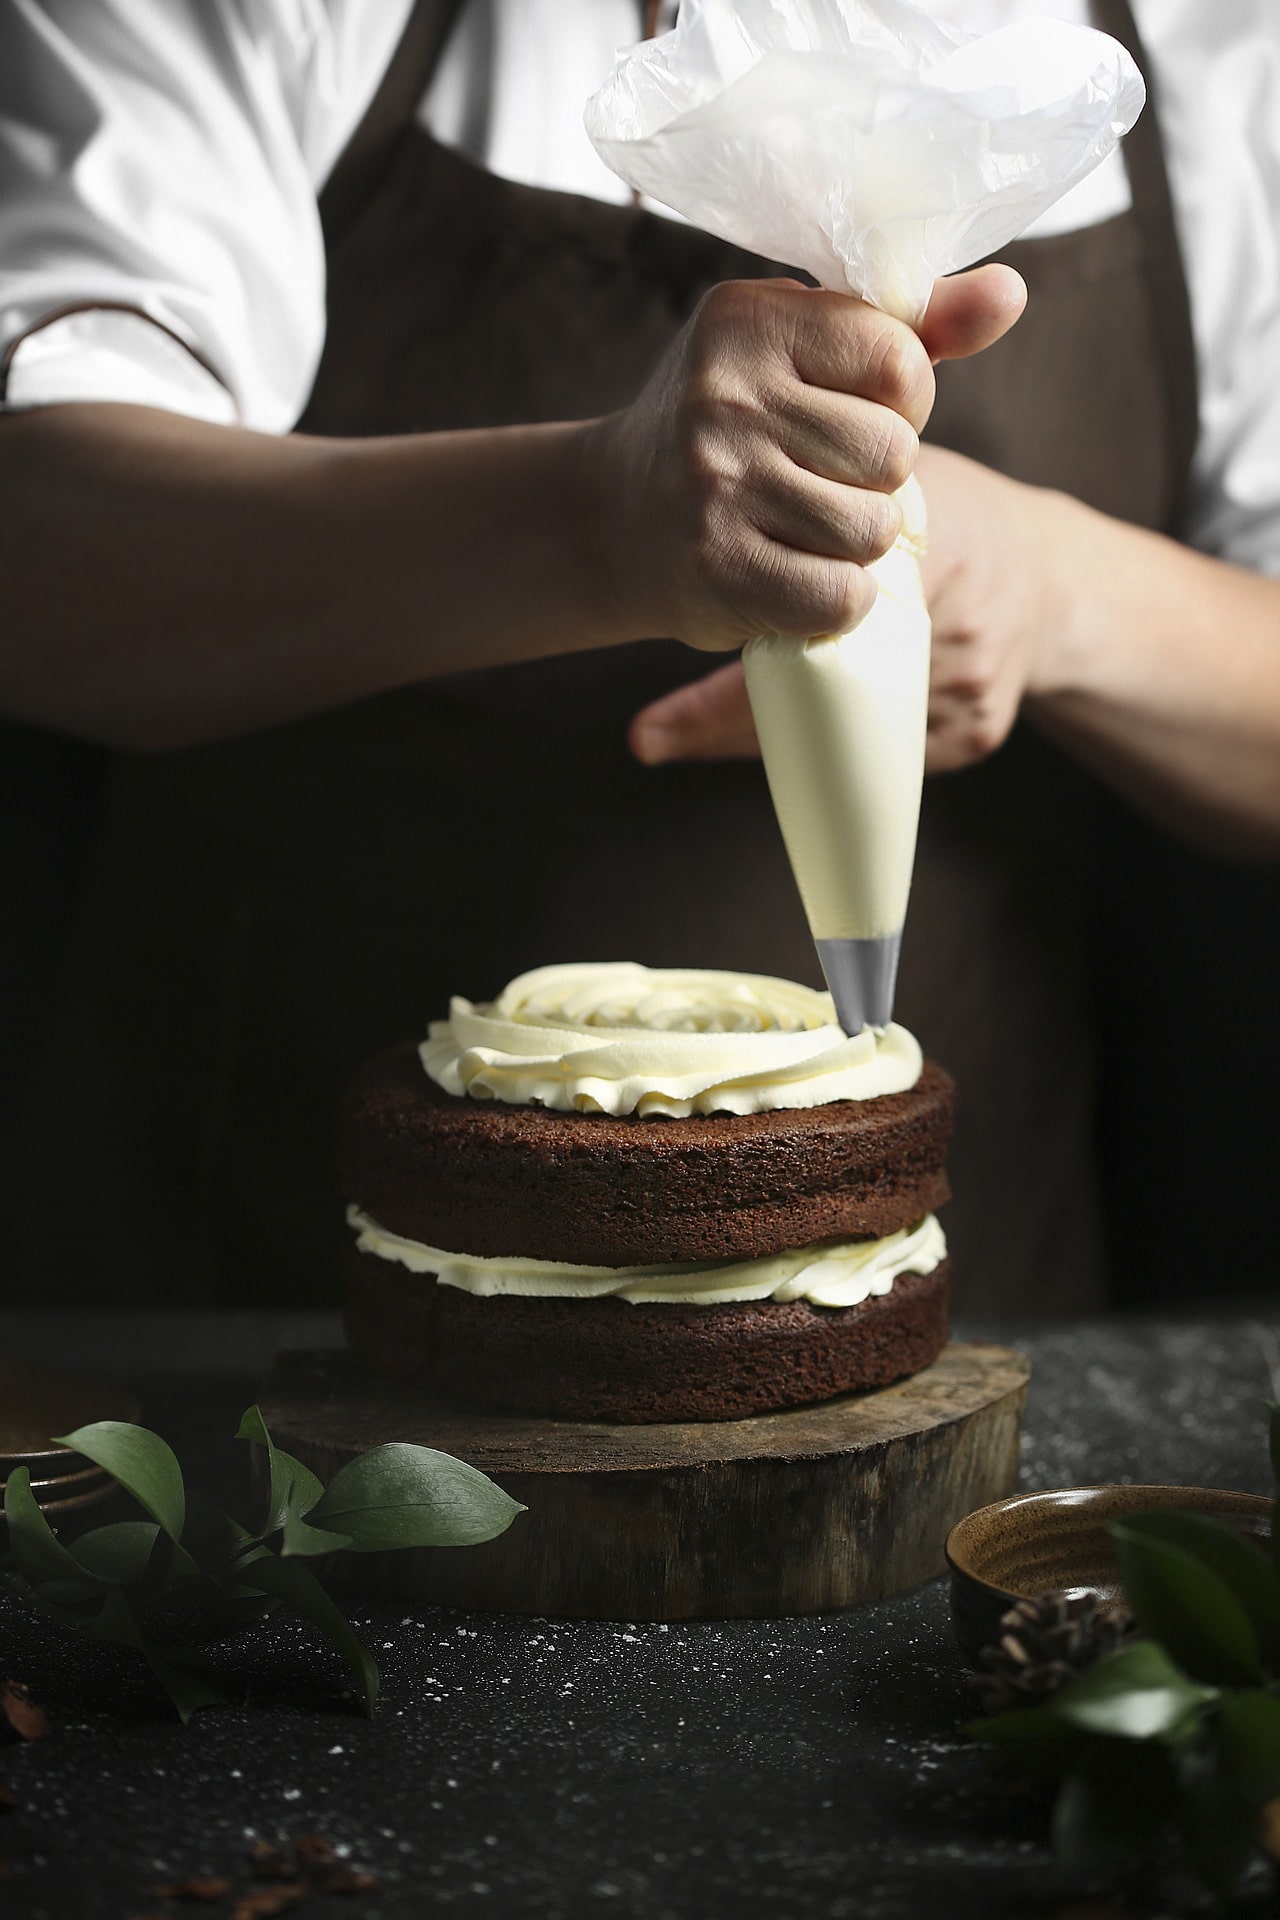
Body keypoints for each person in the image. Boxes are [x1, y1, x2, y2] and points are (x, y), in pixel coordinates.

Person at [0, 0, 1276, 1315]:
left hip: (964, 1321)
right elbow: (39, 548)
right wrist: (595, 521)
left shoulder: (1209, 45)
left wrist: (1054, 588)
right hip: (278, 1311)